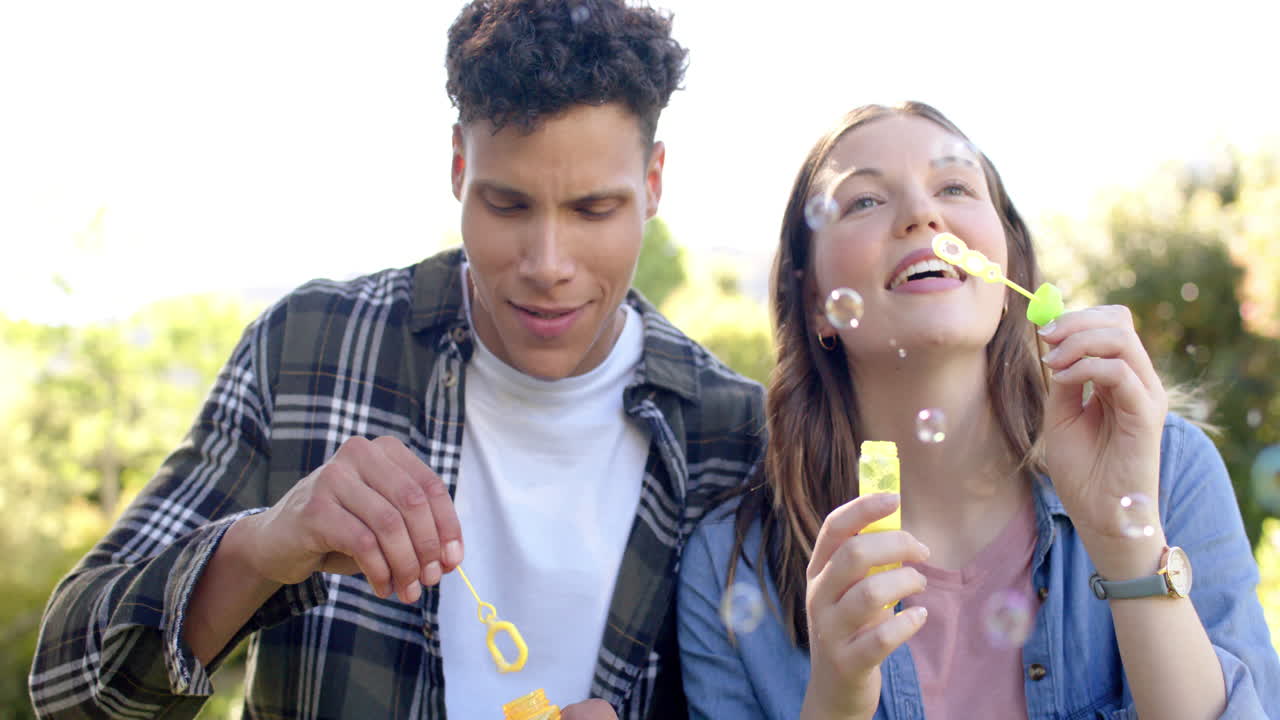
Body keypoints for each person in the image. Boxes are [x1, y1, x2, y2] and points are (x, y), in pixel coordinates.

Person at [29, 2, 765, 718]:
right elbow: (68, 689)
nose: (548, 264)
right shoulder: (308, 348)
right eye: (507, 206)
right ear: (457, 168)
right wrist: (259, 552)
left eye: (592, 210)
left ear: (654, 184)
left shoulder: (730, 434)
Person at [676, 101, 1280, 719]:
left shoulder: (1164, 469)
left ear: (1010, 261)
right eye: (864, 201)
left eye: (955, 186)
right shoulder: (732, 569)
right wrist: (836, 698)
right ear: (814, 304)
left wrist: (1129, 545)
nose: (922, 214)